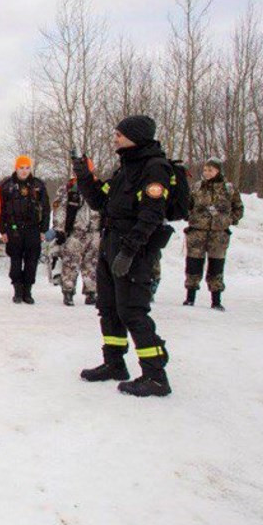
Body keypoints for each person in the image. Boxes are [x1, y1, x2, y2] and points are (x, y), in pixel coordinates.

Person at [74, 115, 176, 397]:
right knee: (108, 308)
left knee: (132, 311)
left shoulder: (154, 168)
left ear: (136, 136)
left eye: (120, 134)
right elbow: (99, 201)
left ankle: (155, 376)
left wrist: (129, 251)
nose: (115, 138)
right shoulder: (125, 169)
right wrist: (84, 177)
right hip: (111, 243)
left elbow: (152, 215)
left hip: (134, 249)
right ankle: (114, 363)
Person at [184, 157, 244, 311]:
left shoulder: (229, 189)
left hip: (219, 234)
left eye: (210, 170)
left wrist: (229, 220)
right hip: (197, 233)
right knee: (193, 265)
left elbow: (238, 209)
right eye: (205, 170)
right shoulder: (197, 187)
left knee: (216, 267)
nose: (207, 173)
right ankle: (190, 298)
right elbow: (187, 206)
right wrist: (191, 217)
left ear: (218, 171)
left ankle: (216, 300)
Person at [0, 156, 51, 304]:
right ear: (16, 168)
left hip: (33, 229)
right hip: (13, 229)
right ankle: (17, 291)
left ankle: (28, 291)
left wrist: (43, 230)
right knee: (15, 260)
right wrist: (2, 230)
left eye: (27, 168)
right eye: (21, 168)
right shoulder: (6, 186)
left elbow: (46, 209)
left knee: (31, 261)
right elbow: (0, 209)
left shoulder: (38, 185)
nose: (24, 171)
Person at [53, 176, 100, 306]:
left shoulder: (98, 187)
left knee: (92, 263)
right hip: (75, 232)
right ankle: (68, 292)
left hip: (94, 232)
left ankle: (91, 292)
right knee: (70, 263)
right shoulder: (68, 188)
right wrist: (59, 229)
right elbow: (59, 209)